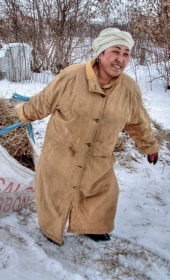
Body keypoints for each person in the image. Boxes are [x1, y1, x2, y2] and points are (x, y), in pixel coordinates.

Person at [18, 28, 159, 245]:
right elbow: (43, 102)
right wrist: (22, 114)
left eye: (126, 54)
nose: (120, 60)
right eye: (115, 52)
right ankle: (51, 228)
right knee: (55, 192)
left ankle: (92, 226)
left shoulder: (129, 89)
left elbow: (138, 121)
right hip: (62, 152)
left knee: (101, 192)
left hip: (99, 155)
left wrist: (149, 146)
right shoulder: (71, 77)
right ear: (101, 53)